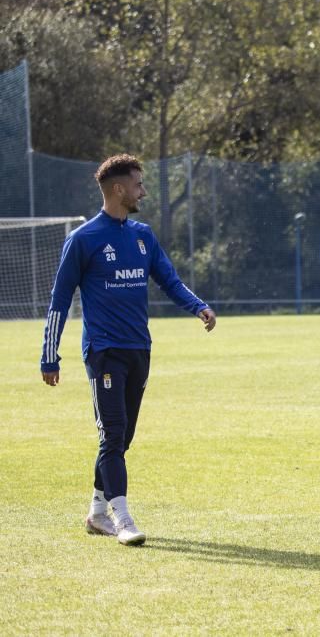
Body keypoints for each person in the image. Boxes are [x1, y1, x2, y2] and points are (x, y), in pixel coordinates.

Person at [40, 154, 216, 546]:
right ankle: (122, 518)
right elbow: (59, 300)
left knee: (122, 438)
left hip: (140, 349)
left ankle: (97, 512)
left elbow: (168, 279)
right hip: (104, 352)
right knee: (113, 434)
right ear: (118, 189)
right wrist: (49, 355)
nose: (143, 191)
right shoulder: (83, 239)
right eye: (138, 184)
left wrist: (198, 306)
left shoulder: (142, 234)